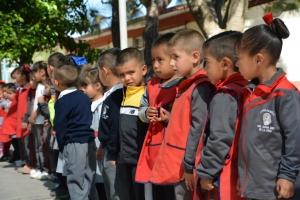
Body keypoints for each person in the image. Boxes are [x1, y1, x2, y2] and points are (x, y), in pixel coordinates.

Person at [235, 13, 300, 200]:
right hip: (254, 184)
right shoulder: (250, 91)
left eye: (239, 58)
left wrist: (287, 176)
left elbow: (295, 139)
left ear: (258, 59)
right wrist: (244, 177)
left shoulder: (285, 93)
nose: (237, 63)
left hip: (276, 187)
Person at [149, 29, 214, 200]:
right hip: (179, 163)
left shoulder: (200, 87)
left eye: (176, 57)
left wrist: (189, 166)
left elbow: (198, 129)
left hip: (188, 166)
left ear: (195, 57)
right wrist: (169, 118)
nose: (171, 63)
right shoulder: (186, 84)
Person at [194, 31, 248, 200]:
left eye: (207, 62)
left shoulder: (225, 95)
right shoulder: (246, 87)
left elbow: (219, 138)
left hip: (222, 176)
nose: (204, 69)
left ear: (225, 64)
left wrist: (207, 172)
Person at [135, 33, 178, 200]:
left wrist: (169, 117)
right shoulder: (152, 85)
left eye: (160, 60)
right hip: (153, 147)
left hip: (172, 150)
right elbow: (142, 108)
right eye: (153, 60)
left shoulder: (183, 85)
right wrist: (146, 113)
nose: (155, 65)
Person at [53, 62, 97, 200]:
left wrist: (62, 145)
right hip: (89, 141)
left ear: (56, 82)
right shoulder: (84, 96)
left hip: (73, 143)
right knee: (89, 177)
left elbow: (60, 125)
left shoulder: (62, 101)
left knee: (76, 180)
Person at [112, 48, 149, 200]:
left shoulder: (149, 94)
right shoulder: (121, 96)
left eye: (131, 72)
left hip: (140, 159)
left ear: (144, 69)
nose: (127, 78)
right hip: (123, 158)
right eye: (122, 75)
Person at [97, 48, 122, 200]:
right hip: (108, 150)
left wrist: (111, 152)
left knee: (115, 192)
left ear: (105, 70)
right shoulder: (112, 94)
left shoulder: (117, 96)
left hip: (114, 154)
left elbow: (115, 127)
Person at [80, 67, 107, 200]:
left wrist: (100, 147)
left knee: (101, 178)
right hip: (92, 146)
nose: (83, 89)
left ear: (97, 86)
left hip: (99, 147)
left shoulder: (103, 105)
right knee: (95, 178)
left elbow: (102, 128)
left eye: (86, 85)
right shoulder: (90, 104)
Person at [29, 61, 50, 180]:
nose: (33, 75)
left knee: (43, 145)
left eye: (34, 72)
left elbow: (42, 103)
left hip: (42, 120)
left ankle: (46, 169)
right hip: (37, 121)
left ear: (42, 72)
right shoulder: (40, 86)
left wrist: (33, 115)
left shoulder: (45, 86)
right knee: (38, 146)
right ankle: (41, 167)